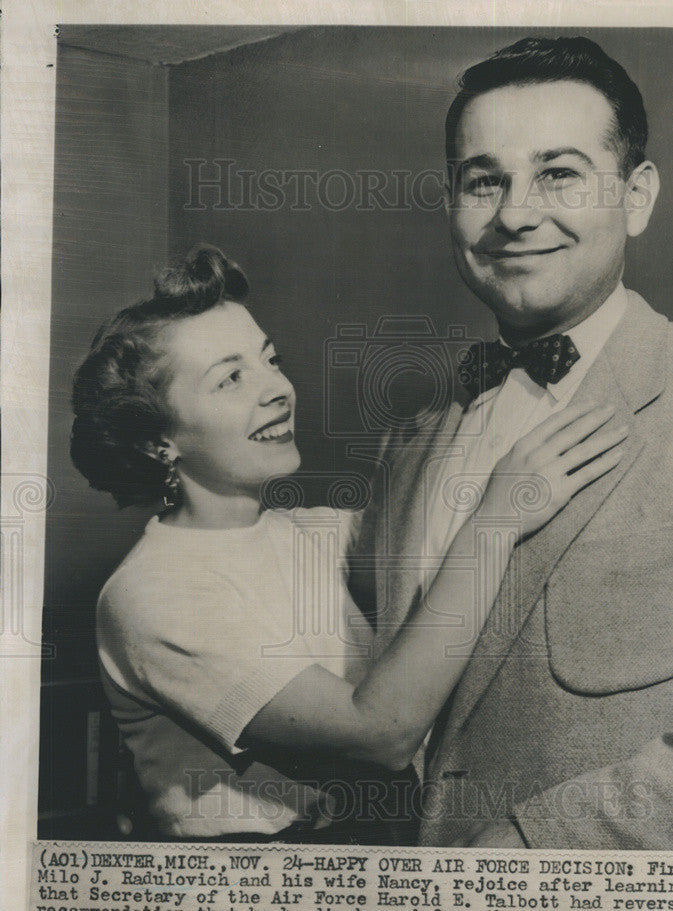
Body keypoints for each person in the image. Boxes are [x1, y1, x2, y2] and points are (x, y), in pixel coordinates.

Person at [350, 36, 673, 850]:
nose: (514, 213)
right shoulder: (409, 444)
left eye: (559, 173)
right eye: (484, 181)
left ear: (636, 195)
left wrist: (532, 851)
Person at [70, 243, 625, 843]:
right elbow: (380, 734)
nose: (278, 388)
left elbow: (417, 514)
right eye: (231, 378)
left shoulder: (302, 532)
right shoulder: (151, 597)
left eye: (269, 359)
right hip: (253, 896)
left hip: (368, 851)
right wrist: (496, 520)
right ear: (158, 441)